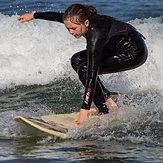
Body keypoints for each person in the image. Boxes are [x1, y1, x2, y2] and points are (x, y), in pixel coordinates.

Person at [18, 4, 148, 125]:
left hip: (134, 52)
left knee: (85, 69)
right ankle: (109, 102)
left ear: (86, 23)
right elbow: (59, 17)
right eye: (68, 28)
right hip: (114, 47)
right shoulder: (83, 19)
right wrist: (34, 15)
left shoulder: (95, 35)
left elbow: (92, 73)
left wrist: (84, 109)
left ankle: (104, 111)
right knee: (76, 60)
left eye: (73, 28)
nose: (71, 32)